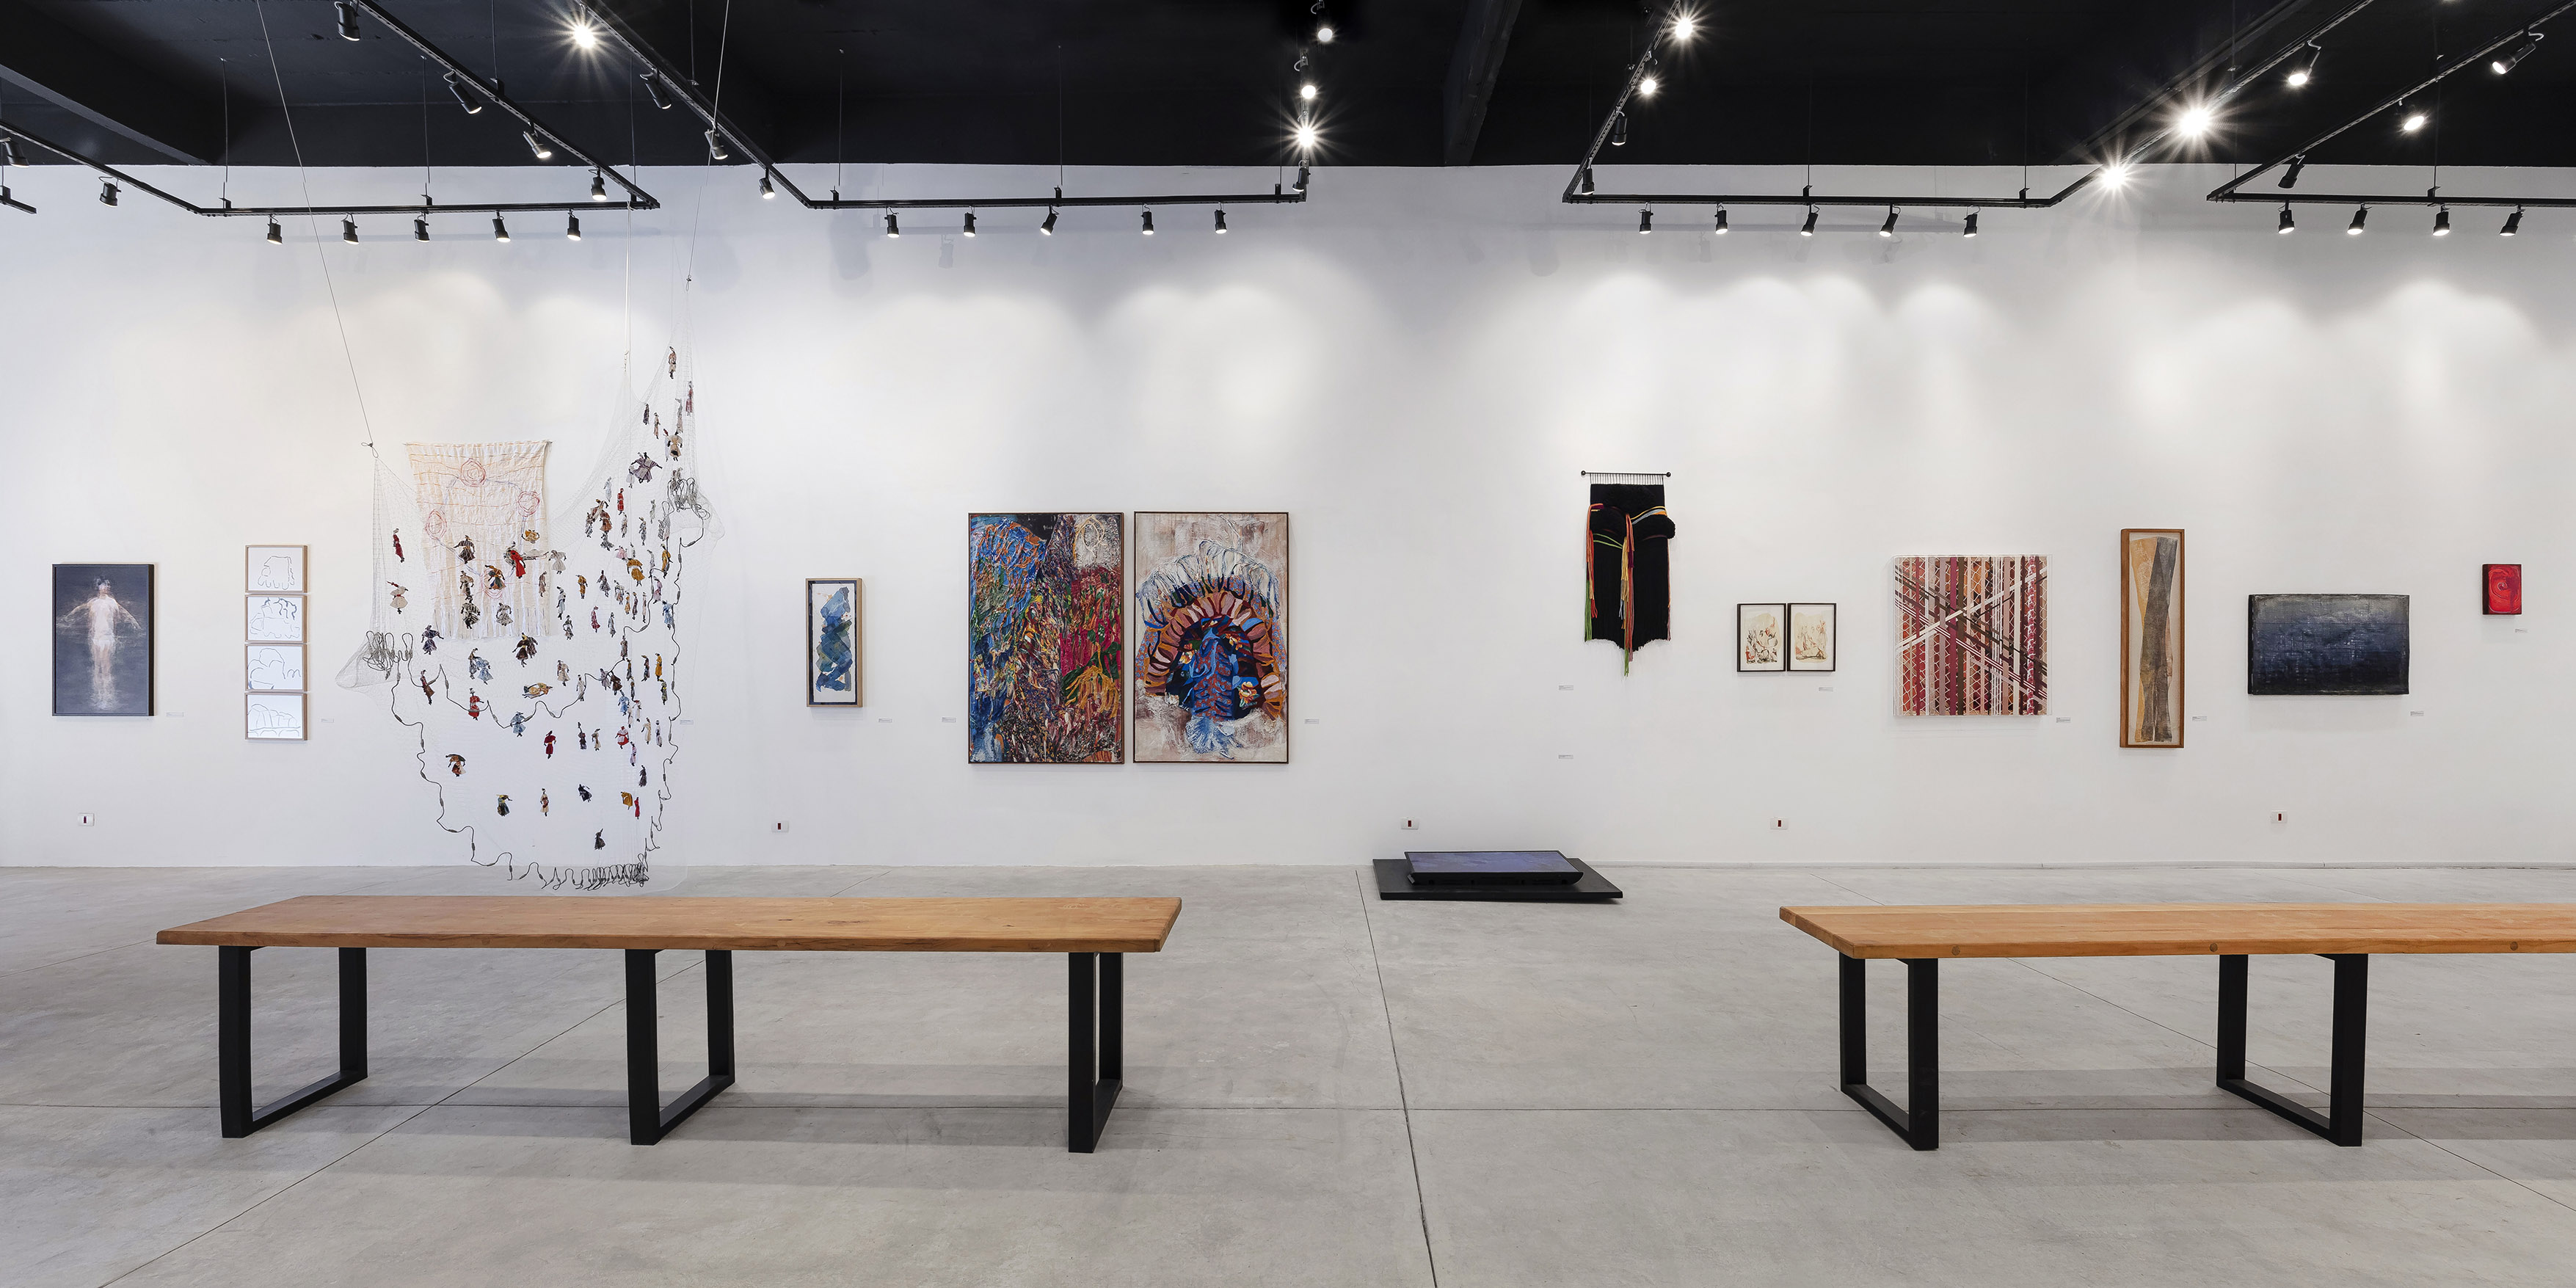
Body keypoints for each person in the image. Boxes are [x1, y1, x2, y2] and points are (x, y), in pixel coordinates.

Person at [59, 579, 142, 708]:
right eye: (103, 586)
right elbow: (80, 609)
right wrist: (66, 618)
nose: (105, 587)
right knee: (97, 667)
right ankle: (98, 695)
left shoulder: (112, 602)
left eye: (107, 585)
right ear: (98, 588)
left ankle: (107, 696)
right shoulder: (93, 602)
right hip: (95, 638)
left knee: (106, 668)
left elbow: (125, 613)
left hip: (107, 638)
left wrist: (135, 624)